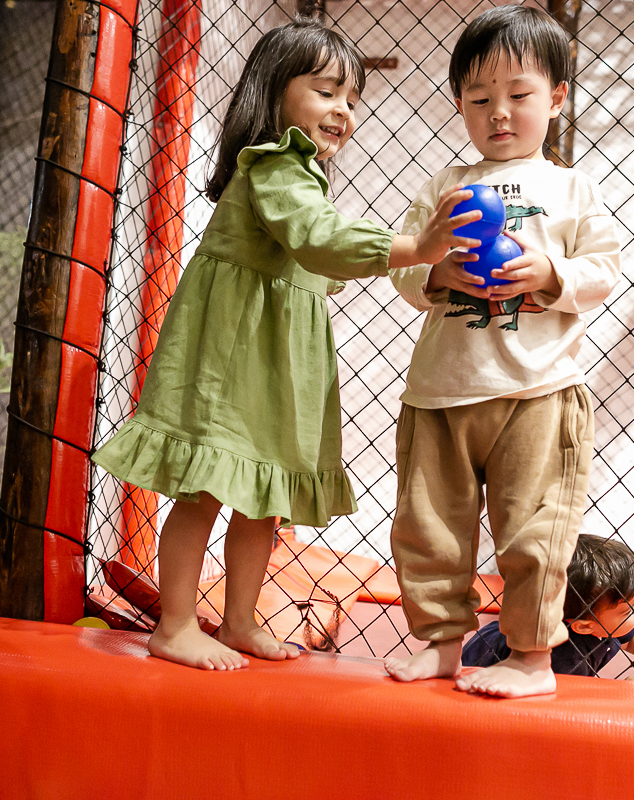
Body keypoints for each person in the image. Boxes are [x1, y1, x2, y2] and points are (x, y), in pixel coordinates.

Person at [92, 19, 483, 671]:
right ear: (274, 93)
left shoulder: (303, 175)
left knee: (263, 496)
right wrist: (416, 247)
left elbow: (314, 263)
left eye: (352, 100)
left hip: (275, 363)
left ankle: (240, 619)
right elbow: (317, 238)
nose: (343, 111)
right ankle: (176, 624)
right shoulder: (274, 164)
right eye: (328, 91)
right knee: (204, 489)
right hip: (231, 357)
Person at [383, 5, 623, 698]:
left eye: (519, 96)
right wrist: (436, 271)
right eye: (479, 100)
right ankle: (439, 644)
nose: (499, 114)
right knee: (431, 528)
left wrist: (552, 276)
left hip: (539, 392)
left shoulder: (573, 188)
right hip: (442, 390)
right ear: (459, 104)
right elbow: (404, 262)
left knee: (536, 531)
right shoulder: (445, 185)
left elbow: (605, 268)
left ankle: (530, 659)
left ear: (555, 98)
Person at [461, 535, 634, 682]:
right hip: (480, 674)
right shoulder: (563, 656)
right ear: (583, 627)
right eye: (628, 611)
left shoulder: (600, 622)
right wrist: (628, 687)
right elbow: (571, 703)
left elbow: (629, 637)